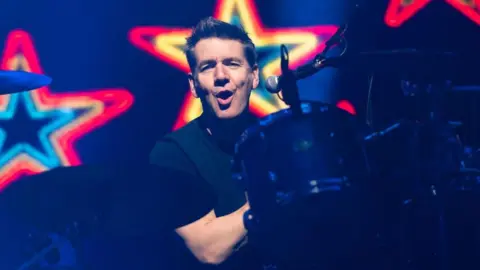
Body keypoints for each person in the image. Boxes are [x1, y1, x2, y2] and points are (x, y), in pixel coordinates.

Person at [149, 16, 261, 269]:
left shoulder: (278, 136)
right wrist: (279, 194)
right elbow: (209, 248)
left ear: (254, 76)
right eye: (208, 67)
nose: (221, 76)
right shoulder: (171, 153)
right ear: (194, 85)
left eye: (232, 64)